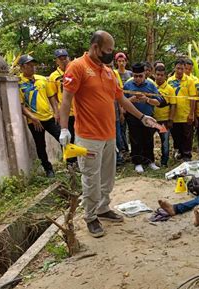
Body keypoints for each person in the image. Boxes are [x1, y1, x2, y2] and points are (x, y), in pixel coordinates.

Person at [59, 30, 159, 237]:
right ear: (95, 47)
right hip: (88, 137)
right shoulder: (77, 67)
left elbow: (121, 99)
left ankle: (103, 208)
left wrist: (142, 117)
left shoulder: (108, 72)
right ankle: (90, 216)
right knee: (91, 179)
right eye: (108, 50)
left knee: (108, 178)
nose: (111, 54)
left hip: (109, 135)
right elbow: (67, 99)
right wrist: (63, 128)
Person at [18, 54, 61, 177]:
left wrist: (56, 112)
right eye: (29, 65)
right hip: (35, 122)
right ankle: (48, 170)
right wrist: (32, 117)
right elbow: (21, 105)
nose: (33, 67)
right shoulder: (19, 83)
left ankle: (71, 163)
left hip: (49, 117)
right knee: (41, 146)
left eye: (33, 65)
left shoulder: (42, 79)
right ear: (22, 67)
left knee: (63, 138)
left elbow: (51, 96)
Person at [123, 62, 163, 173]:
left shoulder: (151, 85)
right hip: (133, 117)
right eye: (135, 76)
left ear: (145, 74)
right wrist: (131, 99)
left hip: (149, 117)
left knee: (149, 140)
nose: (138, 78)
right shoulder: (128, 85)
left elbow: (158, 102)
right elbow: (122, 102)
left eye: (140, 76)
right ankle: (137, 162)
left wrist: (147, 99)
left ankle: (150, 161)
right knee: (135, 140)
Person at [167, 58, 197, 161]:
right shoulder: (170, 81)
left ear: (185, 69)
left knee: (187, 136)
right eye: (178, 68)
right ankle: (179, 152)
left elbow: (193, 98)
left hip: (186, 114)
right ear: (174, 68)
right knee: (176, 136)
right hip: (174, 115)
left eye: (182, 69)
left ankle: (187, 155)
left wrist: (191, 113)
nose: (180, 71)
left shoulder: (190, 81)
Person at [154, 65, 176, 167]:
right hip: (152, 120)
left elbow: (173, 105)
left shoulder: (170, 89)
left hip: (163, 121)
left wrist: (170, 119)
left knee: (165, 142)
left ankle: (164, 162)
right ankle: (150, 160)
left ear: (165, 76)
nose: (159, 77)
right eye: (157, 74)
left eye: (161, 75)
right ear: (154, 75)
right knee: (149, 141)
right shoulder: (151, 86)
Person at [114, 52, 131, 153]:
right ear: (116, 62)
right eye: (119, 61)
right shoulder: (114, 73)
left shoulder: (130, 74)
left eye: (123, 61)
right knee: (122, 128)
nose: (121, 63)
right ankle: (124, 149)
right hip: (119, 104)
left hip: (130, 103)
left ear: (126, 62)